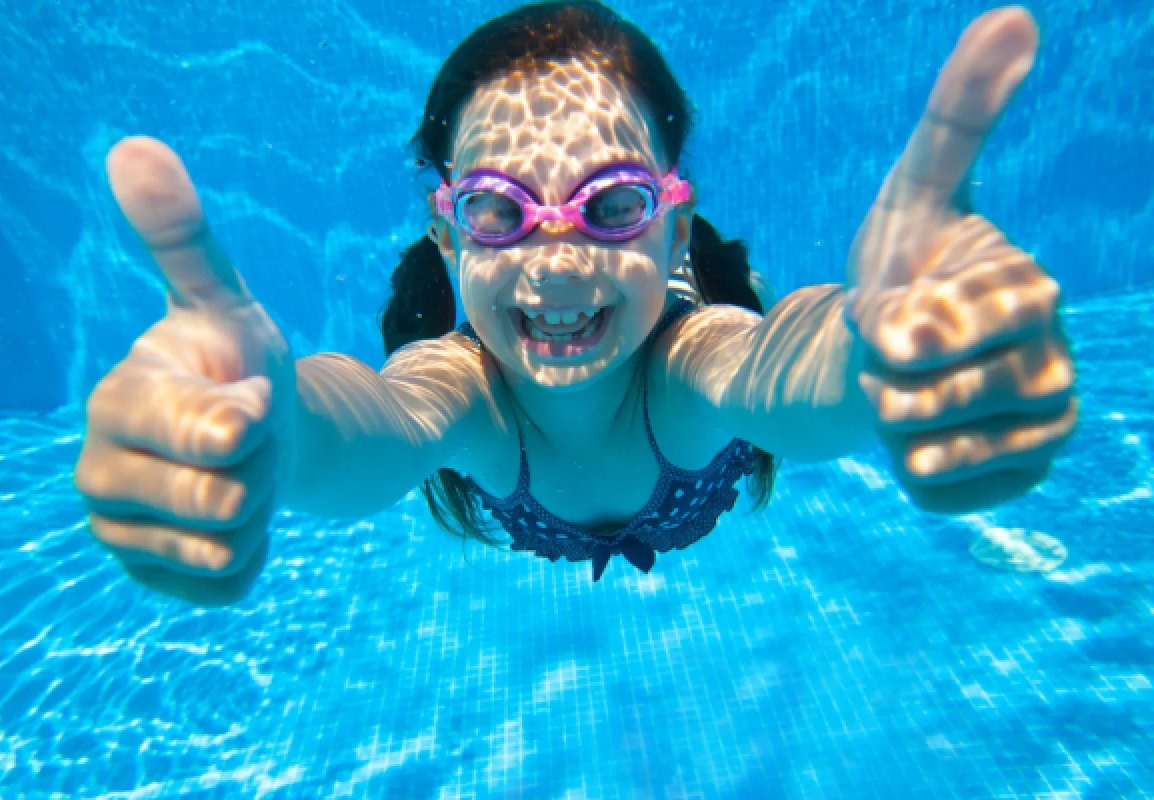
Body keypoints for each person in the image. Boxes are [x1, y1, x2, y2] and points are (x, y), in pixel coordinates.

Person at [74, 1, 1078, 606]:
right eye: (499, 211)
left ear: (672, 230)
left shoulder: (691, 370)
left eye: (612, 203)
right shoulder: (465, 394)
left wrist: (879, 347)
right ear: (449, 238)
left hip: (693, 323)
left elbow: (781, 366)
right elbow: (370, 421)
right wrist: (273, 424)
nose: (554, 263)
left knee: (743, 299)